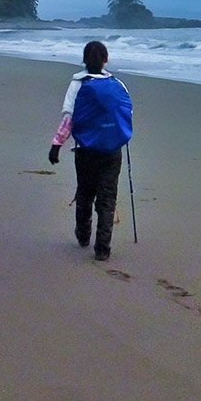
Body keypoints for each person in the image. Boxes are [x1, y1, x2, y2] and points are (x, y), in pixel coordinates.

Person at [48, 41, 133, 261]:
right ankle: (103, 248)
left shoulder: (78, 83)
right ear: (106, 59)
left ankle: (84, 235)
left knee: (85, 192)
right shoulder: (118, 83)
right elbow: (126, 113)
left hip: (86, 150)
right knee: (107, 197)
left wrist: (56, 146)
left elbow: (69, 117)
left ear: (84, 59)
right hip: (113, 150)